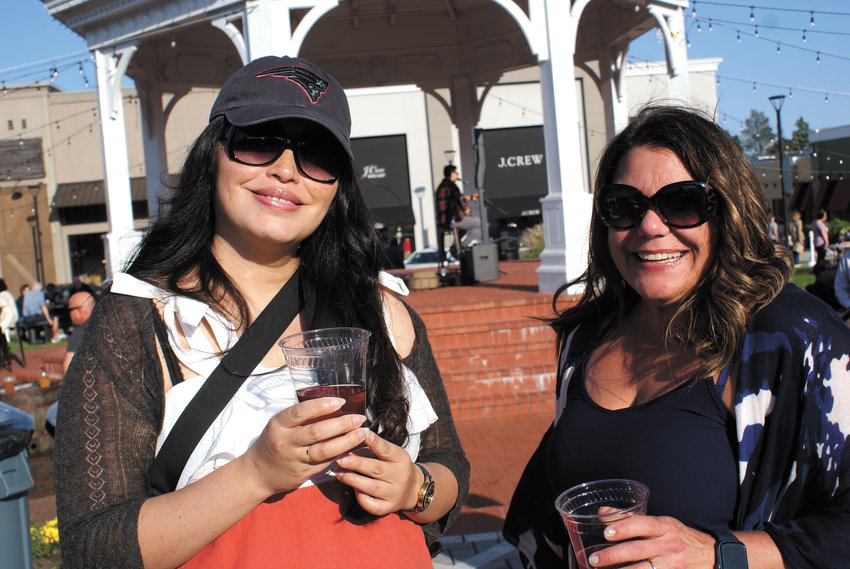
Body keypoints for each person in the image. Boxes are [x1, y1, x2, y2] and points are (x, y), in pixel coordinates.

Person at [55, 55, 469, 568]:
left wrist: (414, 487)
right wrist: (256, 472)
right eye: (259, 140)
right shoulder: (139, 321)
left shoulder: (381, 308)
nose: (287, 170)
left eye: (317, 155)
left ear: (337, 185)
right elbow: (91, 548)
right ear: (213, 153)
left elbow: (448, 463)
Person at [504, 105, 850, 569]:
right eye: (624, 205)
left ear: (727, 211)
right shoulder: (586, 336)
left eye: (682, 202)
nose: (650, 226)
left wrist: (717, 552)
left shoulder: (795, 338)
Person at [434, 164, 465, 266]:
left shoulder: (441, 186)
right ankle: (456, 248)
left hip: (441, 221)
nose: (457, 175)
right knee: (473, 224)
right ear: (451, 173)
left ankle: (443, 261)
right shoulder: (452, 186)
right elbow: (460, 200)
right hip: (450, 220)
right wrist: (465, 208)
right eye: (456, 173)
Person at [62, 291, 95, 373]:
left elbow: (68, 368)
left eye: (70, 310)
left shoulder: (81, 331)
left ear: (79, 309)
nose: (69, 314)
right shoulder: (105, 323)